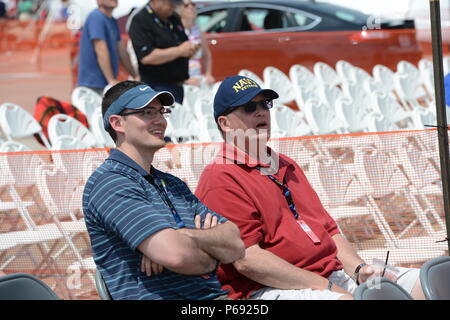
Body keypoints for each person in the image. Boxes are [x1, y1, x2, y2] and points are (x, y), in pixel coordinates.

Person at [194, 75, 426, 300]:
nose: (261, 111)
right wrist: (326, 287)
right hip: (269, 288)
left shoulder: (285, 163)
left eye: (265, 103)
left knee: (424, 281)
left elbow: (329, 230)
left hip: (331, 276)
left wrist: (359, 269)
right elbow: (248, 261)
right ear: (224, 123)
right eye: (248, 107)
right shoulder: (220, 177)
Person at [82, 80, 245, 300]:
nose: (160, 120)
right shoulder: (111, 183)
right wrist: (212, 254)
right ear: (117, 123)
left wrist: (183, 234)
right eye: (148, 112)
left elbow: (235, 243)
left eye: (161, 111)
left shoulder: (173, 184)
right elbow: (177, 255)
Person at [128, 0, 200, 104]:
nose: (173, 7)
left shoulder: (174, 18)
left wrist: (190, 50)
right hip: (157, 87)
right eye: (170, 3)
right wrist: (180, 50)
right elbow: (147, 57)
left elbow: (182, 44)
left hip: (178, 84)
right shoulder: (141, 20)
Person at [77, 0, 138, 96]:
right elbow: (100, 48)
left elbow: (121, 50)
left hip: (105, 84)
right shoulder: (96, 17)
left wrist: (135, 75)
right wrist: (111, 80)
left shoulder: (112, 20)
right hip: (93, 84)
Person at [175, 0, 215, 87]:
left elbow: (206, 55)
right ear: (179, 9)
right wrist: (185, 80)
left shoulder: (197, 31)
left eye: (193, 4)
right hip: (183, 82)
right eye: (186, 5)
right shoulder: (176, 31)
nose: (191, 7)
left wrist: (208, 74)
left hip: (198, 78)